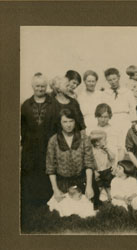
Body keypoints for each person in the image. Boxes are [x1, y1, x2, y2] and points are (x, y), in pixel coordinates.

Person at [46, 108, 100, 209]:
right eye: (65, 121)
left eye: (71, 121)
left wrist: (89, 186)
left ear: (75, 122)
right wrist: (55, 189)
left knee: (87, 208)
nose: (68, 125)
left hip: (82, 180)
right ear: (60, 123)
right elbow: (50, 168)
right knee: (64, 209)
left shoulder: (84, 138)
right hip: (63, 182)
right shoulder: (53, 140)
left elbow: (89, 164)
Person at [21, 73, 56, 206]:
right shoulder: (26, 105)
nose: (40, 89)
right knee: (30, 172)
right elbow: (22, 127)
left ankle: (47, 202)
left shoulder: (54, 104)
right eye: (37, 86)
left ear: (46, 87)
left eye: (43, 86)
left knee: (47, 172)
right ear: (32, 86)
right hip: (30, 147)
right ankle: (30, 203)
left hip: (48, 145)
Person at [101, 67, 137, 136]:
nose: (113, 82)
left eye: (114, 79)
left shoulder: (127, 92)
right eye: (110, 80)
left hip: (125, 121)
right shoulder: (105, 94)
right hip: (111, 122)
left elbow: (133, 108)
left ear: (118, 77)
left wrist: (134, 122)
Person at [89, 130, 115, 202]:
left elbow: (112, 158)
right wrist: (94, 171)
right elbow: (90, 162)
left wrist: (108, 151)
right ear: (97, 143)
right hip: (98, 171)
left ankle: (111, 198)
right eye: (104, 140)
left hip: (107, 170)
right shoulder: (92, 151)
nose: (106, 141)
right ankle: (96, 200)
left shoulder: (105, 149)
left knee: (108, 185)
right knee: (98, 186)